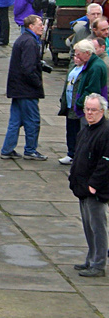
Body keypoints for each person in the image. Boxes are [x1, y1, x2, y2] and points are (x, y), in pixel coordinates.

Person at [68, 93, 109, 277]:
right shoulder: (85, 130)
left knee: (97, 227)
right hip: (82, 188)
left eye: (93, 110)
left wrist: (94, 185)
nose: (89, 113)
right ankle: (91, 259)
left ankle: (98, 265)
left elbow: (106, 162)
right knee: (88, 226)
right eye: (87, 109)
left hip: (96, 190)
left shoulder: (105, 132)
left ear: (102, 111)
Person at [0, 14, 49, 161]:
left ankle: (7, 149)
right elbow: (28, 68)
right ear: (31, 26)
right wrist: (37, 83)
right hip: (26, 90)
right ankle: (30, 150)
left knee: (15, 121)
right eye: (39, 24)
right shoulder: (30, 42)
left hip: (17, 89)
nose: (42, 27)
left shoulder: (24, 39)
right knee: (33, 121)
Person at [58, 38, 108, 165]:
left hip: (88, 106)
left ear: (87, 53)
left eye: (78, 53)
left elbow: (92, 90)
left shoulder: (96, 67)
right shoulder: (91, 64)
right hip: (84, 105)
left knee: (87, 134)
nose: (76, 56)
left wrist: (79, 102)